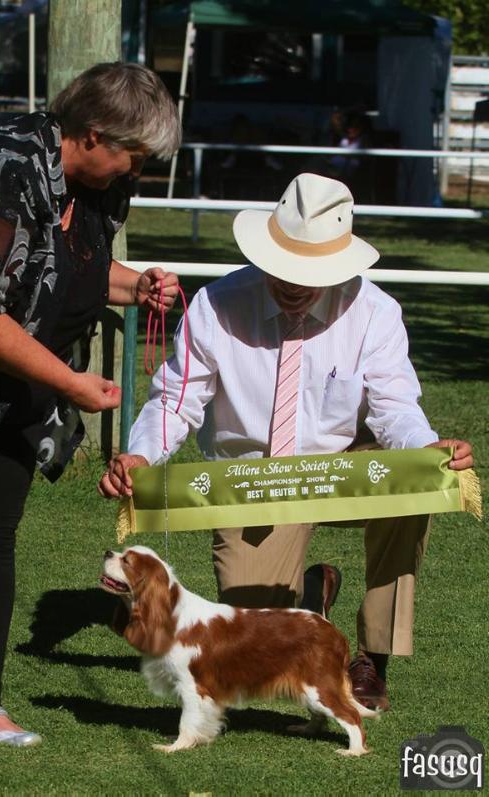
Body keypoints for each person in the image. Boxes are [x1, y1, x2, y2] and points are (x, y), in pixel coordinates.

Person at [98, 172, 473, 711]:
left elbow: (395, 409)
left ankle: (372, 656)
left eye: (311, 270)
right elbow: (176, 403)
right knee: (256, 646)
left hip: (344, 465)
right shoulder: (214, 306)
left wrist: (428, 448)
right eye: (283, 266)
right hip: (248, 479)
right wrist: (141, 454)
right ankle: (312, 592)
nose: (294, 282)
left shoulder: (376, 312)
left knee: (414, 482)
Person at [0, 62, 181, 750]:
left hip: (14, 383)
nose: (133, 170)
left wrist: (137, 286)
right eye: (131, 155)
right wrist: (75, 385)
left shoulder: (99, 183)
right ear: (90, 133)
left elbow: (68, 266)